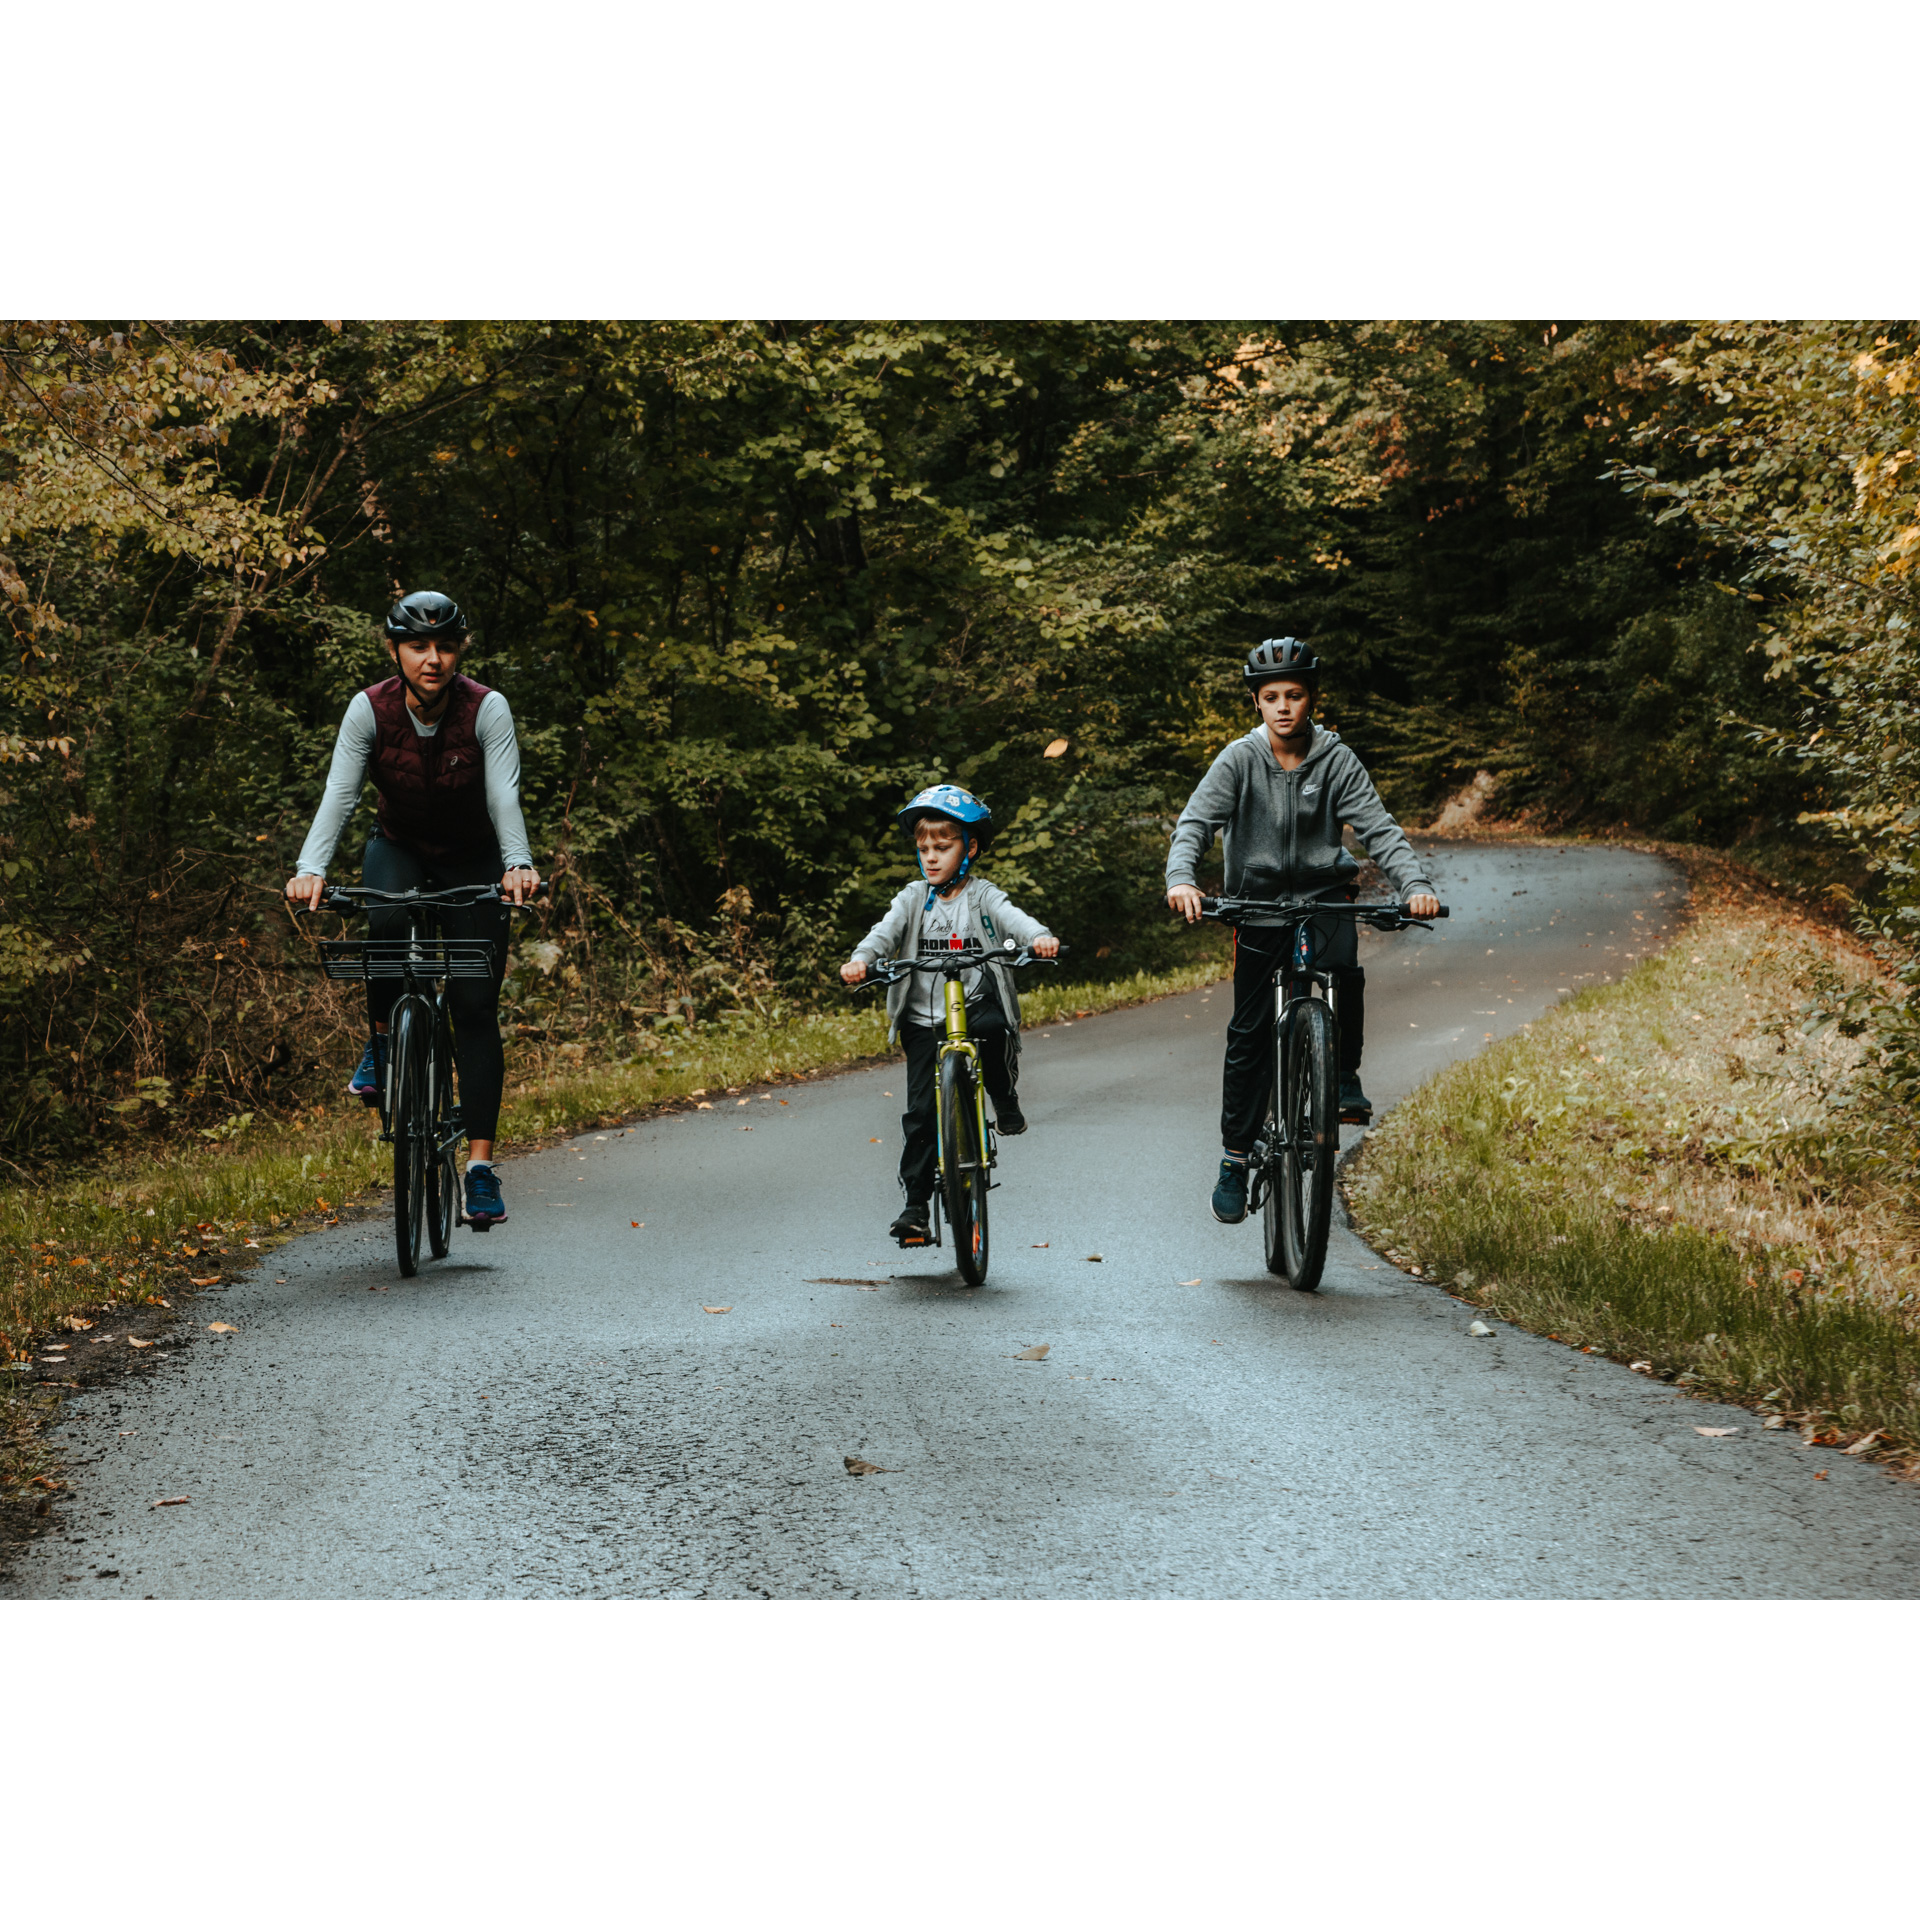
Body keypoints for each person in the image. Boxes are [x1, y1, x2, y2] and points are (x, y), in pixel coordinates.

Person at [284, 590, 541, 1226]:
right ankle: (381, 1045)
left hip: (472, 857)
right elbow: (340, 794)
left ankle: (479, 1169)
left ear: (460, 651)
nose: (433, 659)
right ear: (395, 649)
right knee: (386, 921)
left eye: (446, 646)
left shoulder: (487, 708)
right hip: (398, 846)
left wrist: (517, 862)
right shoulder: (368, 709)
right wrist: (310, 869)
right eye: (419, 646)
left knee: (476, 1005)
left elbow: (503, 795)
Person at [1165, 637, 1440, 1225]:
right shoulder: (1238, 760)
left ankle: (1342, 1078)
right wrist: (1181, 879)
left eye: (1294, 695)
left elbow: (1379, 829)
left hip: (1323, 895)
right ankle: (1235, 1160)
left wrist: (1415, 885)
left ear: (1311, 698)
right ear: (1257, 703)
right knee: (1249, 1031)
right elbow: (1194, 824)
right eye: (1271, 697)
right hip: (1255, 903)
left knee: (1343, 968)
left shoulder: (1335, 760)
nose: (1283, 706)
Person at [841, 785, 1060, 1246]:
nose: (931, 858)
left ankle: (1003, 1098)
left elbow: (1013, 918)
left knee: (995, 1028)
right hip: (923, 1018)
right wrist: (862, 958)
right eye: (924, 849)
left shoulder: (982, 896)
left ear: (970, 847)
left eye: (943, 847)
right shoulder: (913, 898)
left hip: (975, 1003)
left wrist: (1038, 937)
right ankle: (916, 1208)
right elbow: (884, 933)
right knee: (921, 1114)